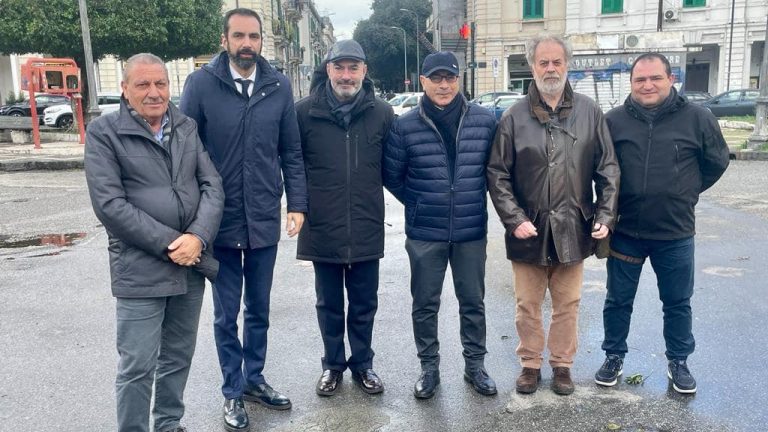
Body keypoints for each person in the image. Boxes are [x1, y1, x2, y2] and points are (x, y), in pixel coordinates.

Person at [180, 8, 307, 432]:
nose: (247, 43)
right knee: (224, 314)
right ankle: (232, 392)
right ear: (225, 40)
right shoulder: (200, 84)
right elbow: (185, 155)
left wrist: (297, 204)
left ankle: (254, 379)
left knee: (259, 311)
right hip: (219, 223)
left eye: (253, 36)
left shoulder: (278, 86)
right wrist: (193, 218)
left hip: (264, 221)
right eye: (239, 36)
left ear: (260, 42)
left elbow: (291, 151)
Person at [84, 53, 224, 432]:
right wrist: (172, 244)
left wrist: (197, 237)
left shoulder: (186, 127)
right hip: (141, 268)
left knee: (178, 356)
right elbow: (110, 205)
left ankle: (169, 423)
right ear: (125, 89)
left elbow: (212, 186)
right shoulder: (104, 133)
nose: (153, 92)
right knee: (137, 365)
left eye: (160, 83)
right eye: (143, 84)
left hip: (190, 266)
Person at [486, 34, 620, 396]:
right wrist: (514, 219)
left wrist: (605, 215)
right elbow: (497, 173)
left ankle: (562, 365)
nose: (550, 69)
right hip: (528, 228)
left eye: (556, 62)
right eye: (543, 62)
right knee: (527, 304)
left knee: (568, 303)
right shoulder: (513, 117)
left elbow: (608, 169)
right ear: (532, 67)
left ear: (567, 64)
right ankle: (530, 364)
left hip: (573, 226)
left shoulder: (590, 112)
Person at [594, 53, 729, 394]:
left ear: (671, 79)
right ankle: (613, 356)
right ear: (631, 83)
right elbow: (602, 171)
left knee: (678, 302)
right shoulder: (613, 122)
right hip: (626, 232)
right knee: (618, 301)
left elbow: (716, 162)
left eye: (655, 78)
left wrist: (685, 192)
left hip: (675, 232)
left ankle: (679, 362)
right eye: (640, 80)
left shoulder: (698, 118)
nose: (647, 85)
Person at [384, 51, 498, 399]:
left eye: (449, 77)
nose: (444, 85)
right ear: (423, 82)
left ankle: (475, 365)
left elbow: (495, 173)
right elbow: (392, 175)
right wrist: (421, 202)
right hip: (425, 233)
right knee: (425, 303)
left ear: (459, 79)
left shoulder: (484, 121)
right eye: (436, 78)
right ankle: (429, 368)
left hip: (470, 230)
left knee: (472, 301)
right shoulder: (404, 125)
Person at [295, 39, 394, 397]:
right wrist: (298, 208)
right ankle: (333, 366)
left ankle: (363, 364)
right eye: (340, 67)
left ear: (364, 72)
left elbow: (395, 169)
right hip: (323, 226)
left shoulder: (382, 113)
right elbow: (292, 167)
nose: (346, 75)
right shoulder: (303, 113)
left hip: (366, 224)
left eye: (353, 68)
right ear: (328, 69)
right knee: (329, 303)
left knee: (365, 302)